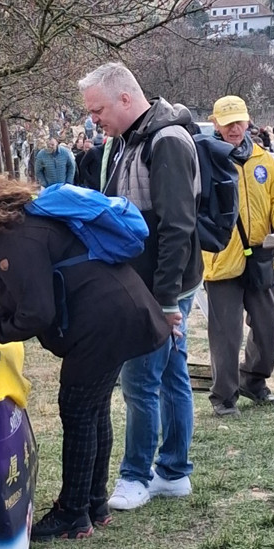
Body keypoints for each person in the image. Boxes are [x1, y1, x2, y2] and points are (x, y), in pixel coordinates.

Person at [0, 177, 170, 539]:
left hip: (106, 319)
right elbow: (17, 298)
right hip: (114, 313)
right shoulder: (6, 233)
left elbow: (37, 312)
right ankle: (93, 504)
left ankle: (73, 514)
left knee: (79, 409)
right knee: (93, 409)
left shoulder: (11, 242)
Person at [79, 62, 201, 511]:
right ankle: (173, 471)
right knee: (170, 375)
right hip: (153, 282)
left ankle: (135, 475)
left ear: (126, 99)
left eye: (98, 110)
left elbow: (177, 227)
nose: (94, 119)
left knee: (140, 381)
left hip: (159, 287)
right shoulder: (132, 138)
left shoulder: (165, 141)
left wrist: (166, 300)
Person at [203, 96, 274, 417]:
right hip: (221, 259)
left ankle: (253, 380)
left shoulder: (265, 160)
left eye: (239, 121)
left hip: (260, 254)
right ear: (215, 123)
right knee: (226, 334)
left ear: (248, 120)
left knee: (268, 323)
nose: (234, 128)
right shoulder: (204, 160)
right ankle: (224, 397)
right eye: (227, 122)